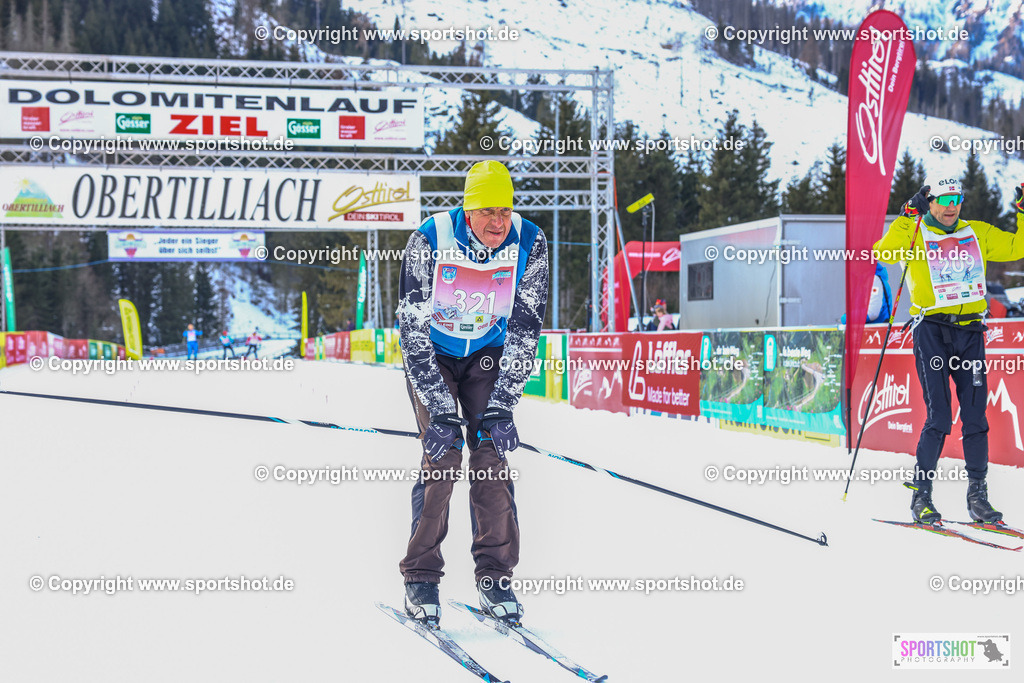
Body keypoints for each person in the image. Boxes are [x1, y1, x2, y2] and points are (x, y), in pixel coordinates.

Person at [396, 160, 548, 627]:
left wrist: (502, 406)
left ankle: (495, 575)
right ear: (468, 208)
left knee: (489, 457)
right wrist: (441, 412)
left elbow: (525, 329)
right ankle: (421, 575)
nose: (498, 223)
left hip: (488, 353)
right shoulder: (431, 238)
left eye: (505, 211)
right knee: (442, 458)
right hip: (434, 356)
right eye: (487, 213)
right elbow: (412, 331)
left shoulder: (530, 242)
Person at [873, 173, 1024, 525]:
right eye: (944, 200)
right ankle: (921, 497)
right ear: (931, 201)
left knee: (975, 418)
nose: (951, 208)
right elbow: (883, 252)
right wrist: (907, 216)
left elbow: (1018, 248)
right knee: (939, 417)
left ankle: (978, 498)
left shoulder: (977, 232)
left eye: (957, 200)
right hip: (932, 332)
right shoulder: (915, 232)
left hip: (970, 331)